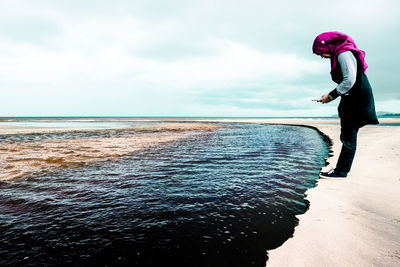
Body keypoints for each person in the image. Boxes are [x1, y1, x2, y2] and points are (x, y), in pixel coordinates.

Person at [312, 31, 379, 178]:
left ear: (327, 46)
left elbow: (349, 80)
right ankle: (341, 169)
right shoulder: (342, 53)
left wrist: (330, 96)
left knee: (348, 137)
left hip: (357, 101)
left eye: (321, 53)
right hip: (354, 99)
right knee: (348, 135)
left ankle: (341, 171)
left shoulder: (343, 54)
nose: (322, 56)